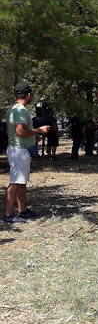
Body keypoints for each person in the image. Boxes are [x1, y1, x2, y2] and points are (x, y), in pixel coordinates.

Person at [4, 82, 50, 223]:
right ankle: (8, 215)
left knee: (21, 182)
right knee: (14, 183)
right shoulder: (21, 110)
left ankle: (22, 211)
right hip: (19, 151)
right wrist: (39, 130)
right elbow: (20, 131)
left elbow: (9, 130)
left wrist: (32, 136)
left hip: (16, 149)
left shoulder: (12, 109)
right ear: (29, 95)